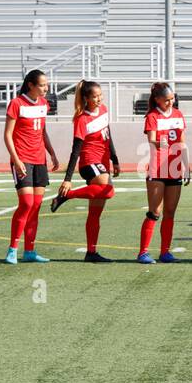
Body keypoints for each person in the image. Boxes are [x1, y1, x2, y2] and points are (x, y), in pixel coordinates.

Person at [51, 80, 119, 263]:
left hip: (103, 164)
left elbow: (108, 134)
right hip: (89, 163)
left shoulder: (103, 109)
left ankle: (91, 252)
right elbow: (76, 150)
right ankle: (67, 195)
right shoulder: (82, 119)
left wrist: (115, 158)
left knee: (95, 213)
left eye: (100, 95)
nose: (99, 99)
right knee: (109, 190)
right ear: (86, 98)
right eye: (94, 96)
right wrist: (67, 179)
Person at [4, 70, 60, 264]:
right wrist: (16, 159)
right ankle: (12, 249)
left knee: (35, 207)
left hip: (39, 160)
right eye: (43, 85)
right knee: (26, 203)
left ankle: (29, 251)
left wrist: (51, 152)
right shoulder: (16, 104)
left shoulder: (44, 104)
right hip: (23, 159)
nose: (46, 88)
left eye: (46, 84)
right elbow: (8, 135)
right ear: (31, 85)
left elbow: (43, 131)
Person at [138, 82, 190, 264]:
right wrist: (161, 144)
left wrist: (187, 165)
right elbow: (151, 140)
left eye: (172, 99)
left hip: (175, 169)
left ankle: (165, 252)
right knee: (155, 212)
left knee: (170, 212)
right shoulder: (152, 117)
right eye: (167, 100)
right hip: (157, 169)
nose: (170, 102)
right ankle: (143, 252)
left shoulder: (178, 115)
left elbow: (182, 142)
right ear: (157, 100)